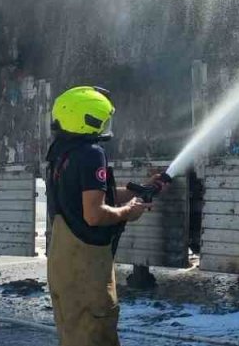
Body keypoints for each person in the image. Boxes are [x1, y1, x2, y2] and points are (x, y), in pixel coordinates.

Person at [44, 86, 156, 346]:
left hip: (63, 264)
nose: (106, 124)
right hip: (86, 266)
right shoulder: (92, 154)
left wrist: (130, 191)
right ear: (88, 119)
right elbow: (94, 214)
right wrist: (129, 212)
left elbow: (83, 197)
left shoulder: (61, 152)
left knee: (73, 333)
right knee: (96, 331)